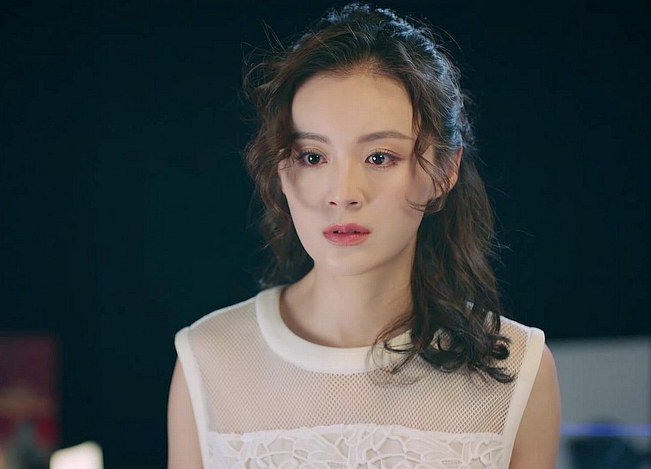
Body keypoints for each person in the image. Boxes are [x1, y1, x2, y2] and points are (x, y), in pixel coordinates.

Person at [167, 3, 560, 468]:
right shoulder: (209, 359)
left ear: (443, 172)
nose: (343, 194)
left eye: (379, 157)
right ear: (281, 170)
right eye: (313, 157)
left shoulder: (517, 370)